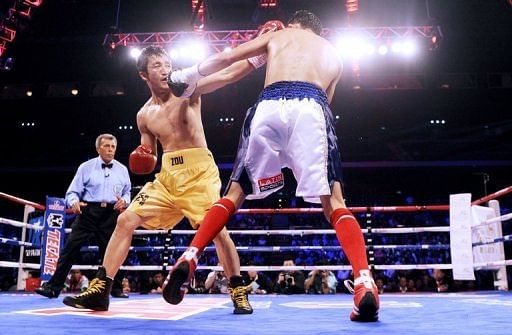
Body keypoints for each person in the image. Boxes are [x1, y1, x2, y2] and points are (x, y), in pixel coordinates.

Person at [165, 10, 380, 322]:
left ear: (293, 24)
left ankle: (190, 254)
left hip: (268, 106)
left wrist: (188, 74)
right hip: (312, 107)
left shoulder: (278, 35)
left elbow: (229, 57)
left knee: (234, 194)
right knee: (334, 202)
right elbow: (325, 104)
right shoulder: (335, 55)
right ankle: (363, 282)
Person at [62, 44, 268, 314]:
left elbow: (227, 74)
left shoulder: (187, 87)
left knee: (216, 231)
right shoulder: (143, 115)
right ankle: (102, 289)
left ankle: (238, 290)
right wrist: (143, 158)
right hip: (168, 175)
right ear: (143, 75)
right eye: (157, 66)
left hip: (199, 173)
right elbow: (149, 158)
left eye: (167, 64)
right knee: (125, 220)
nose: (165, 70)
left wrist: (259, 55)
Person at [35, 133, 131, 299]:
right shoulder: (86, 167)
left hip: (111, 213)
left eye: (113, 147)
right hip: (88, 212)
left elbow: (128, 192)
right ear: (98, 148)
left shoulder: (122, 169)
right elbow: (72, 192)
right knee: (70, 248)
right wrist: (74, 203)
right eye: (106, 146)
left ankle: (115, 289)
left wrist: (125, 201)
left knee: (112, 251)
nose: (110, 150)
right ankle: (53, 287)